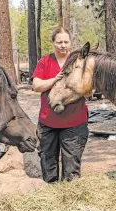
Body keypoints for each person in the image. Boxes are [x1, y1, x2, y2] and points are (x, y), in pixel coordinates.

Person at [32, 27, 89, 183]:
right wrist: (55, 80)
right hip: (48, 123)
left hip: (74, 123)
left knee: (71, 169)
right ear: (53, 43)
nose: (63, 45)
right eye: (59, 42)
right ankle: (51, 197)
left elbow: (89, 87)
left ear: (70, 42)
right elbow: (36, 86)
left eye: (66, 42)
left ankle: (70, 199)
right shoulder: (45, 62)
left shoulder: (79, 61)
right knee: (48, 164)